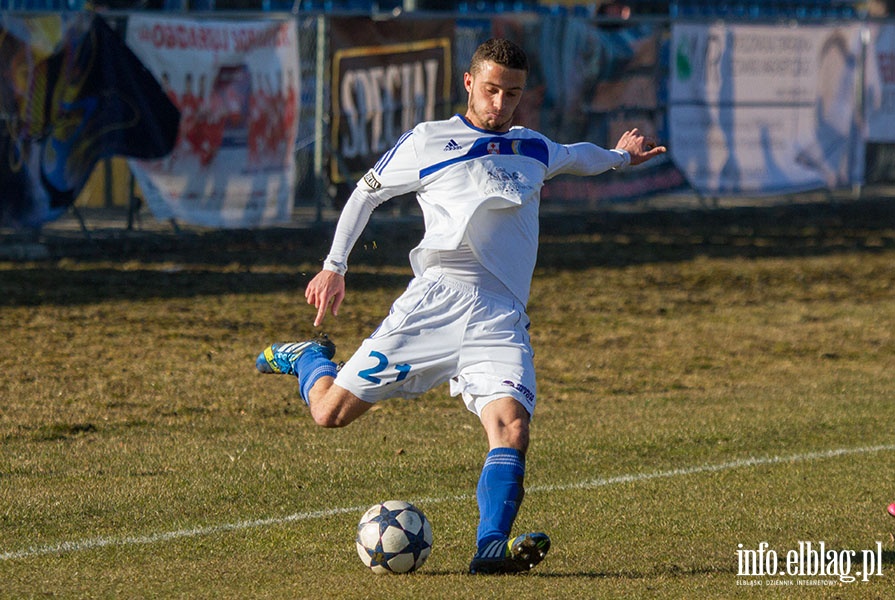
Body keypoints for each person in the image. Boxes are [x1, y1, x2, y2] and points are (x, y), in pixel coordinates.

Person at [255, 38, 665, 574]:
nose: (500, 104)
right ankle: (309, 358)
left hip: (500, 315)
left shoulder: (533, 147)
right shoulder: (429, 141)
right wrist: (335, 265)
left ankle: (490, 548)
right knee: (328, 414)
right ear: (469, 83)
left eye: (512, 94)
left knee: (511, 426)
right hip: (436, 302)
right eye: (491, 90)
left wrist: (618, 158)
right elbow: (366, 192)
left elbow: (576, 157)